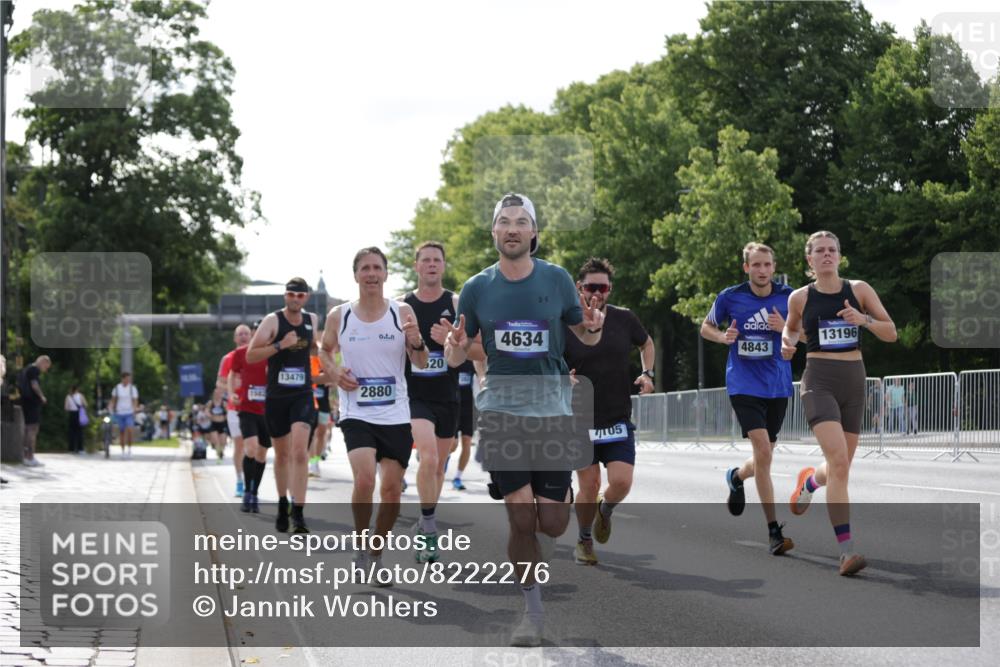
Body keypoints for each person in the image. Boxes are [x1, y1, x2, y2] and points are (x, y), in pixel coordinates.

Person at [444, 193, 605, 647]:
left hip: (552, 410)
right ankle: (532, 614)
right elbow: (457, 354)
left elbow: (583, 331)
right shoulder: (476, 287)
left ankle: (552, 517)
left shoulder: (556, 279)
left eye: (520, 221)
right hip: (501, 410)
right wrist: (454, 346)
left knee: (551, 522)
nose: (512, 228)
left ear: (534, 232)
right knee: (519, 516)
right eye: (504, 221)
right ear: (493, 232)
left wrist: (592, 327)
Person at [783, 231, 897, 576]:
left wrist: (864, 320)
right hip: (819, 381)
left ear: (840, 255)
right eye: (820, 251)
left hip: (853, 381)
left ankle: (809, 483)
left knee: (841, 466)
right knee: (838, 461)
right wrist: (787, 344)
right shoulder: (800, 297)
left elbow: (891, 332)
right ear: (810, 259)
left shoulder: (859, 290)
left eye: (832, 249)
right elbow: (790, 330)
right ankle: (846, 551)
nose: (827, 255)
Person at [319, 247, 428, 580]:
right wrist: (335, 373)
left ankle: (376, 555)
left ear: (385, 274)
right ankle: (360, 546)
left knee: (392, 492)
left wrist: (417, 341)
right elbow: (324, 350)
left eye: (376, 268)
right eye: (365, 268)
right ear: (355, 275)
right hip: (357, 412)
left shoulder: (401, 312)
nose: (371, 274)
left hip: (395, 413)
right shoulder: (340, 315)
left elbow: (421, 362)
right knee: (365, 480)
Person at [701, 242, 795, 556]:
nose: (762, 270)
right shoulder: (730, 297)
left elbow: (809, 333)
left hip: (777, 386)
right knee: (764, 452)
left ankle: (737, 476)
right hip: (743, 385)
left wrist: (786, 328)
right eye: (756, 265)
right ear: (746, 268)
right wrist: (722, 337)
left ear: (774, 266)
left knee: (764, 457)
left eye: (767, 264)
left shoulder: (790, 297)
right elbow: (706, 327)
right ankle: (773, 531)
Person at [565, 257, 656, 566]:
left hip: (616, 417)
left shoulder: (624, 318)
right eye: (591, 287)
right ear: (579, 287)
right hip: (579, 420)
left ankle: (605, 510)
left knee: (621, 482)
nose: (597, 293)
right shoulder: (566, 322)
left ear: (610, 290)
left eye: (602, 288)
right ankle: (584, 539)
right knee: (589, 484)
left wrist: (647, 373)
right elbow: (549, 359)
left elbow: (646, 344)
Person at [402, 241, 468, 563]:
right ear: (416, 266)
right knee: (427, 458)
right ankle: (429, 530)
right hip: (415, 395)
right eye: (425, 260)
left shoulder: (456, 303)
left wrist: (452, 343)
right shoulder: (403, 306)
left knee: (439, 466)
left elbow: (464, 355)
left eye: (436, 260)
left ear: (443, 266)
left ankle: (424, 518)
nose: (431, 264)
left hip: (447, 396)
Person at [247, 277, 320, 534]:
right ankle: (282, 502)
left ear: (306, 297)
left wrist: (324, 356)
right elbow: (251, 355)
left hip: (302, 394)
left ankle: (298, 513)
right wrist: (280, 345)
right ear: (285, 295)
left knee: (300, 452)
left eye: (300, 295)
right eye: (291, 294)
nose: (295, 299)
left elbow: (313, 349)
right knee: (282, 455)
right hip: (277, 397)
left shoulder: (312, 320)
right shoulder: (272, 321)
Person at [230, 319, 271, 513]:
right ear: (254, 333)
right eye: (257, 330)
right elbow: (232, 374)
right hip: (247, 408)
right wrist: (232, 393)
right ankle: (247, 491)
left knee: (262, 453)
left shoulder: (274, 353)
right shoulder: (241, 353)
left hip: (269, 411)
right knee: (251, 448)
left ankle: (254, 491)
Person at [219, 324, 252, 496]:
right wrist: (232, 388)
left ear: (251, 337)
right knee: (239, 445)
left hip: (255, 407)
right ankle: (240, 479)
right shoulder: (228, 358)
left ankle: (251, 481)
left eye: (246, 333)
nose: (243, 336)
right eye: (240, 334)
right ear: (235, 338)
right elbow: (220, 382)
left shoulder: (256, 356)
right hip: (235, 408)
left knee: (253, 446)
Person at [17, 355, 51, 466]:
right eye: (46, 367)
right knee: (33, 429)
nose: (45, 369)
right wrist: (42, 396)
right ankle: (29, 457)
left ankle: (25, 456)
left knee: (28, 428)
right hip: (32, 402)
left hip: (25, 401)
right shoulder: (34, 370)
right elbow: (34, 385)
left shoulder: (27, 368)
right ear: (43, 362)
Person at [450, 359, 477, 491]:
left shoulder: (471, 361)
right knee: (453, 445)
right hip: (452, 405)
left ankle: (457, 477)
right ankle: (444, 456)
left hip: (467, 407)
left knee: (467, 442)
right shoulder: (451, 359)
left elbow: (482, 370)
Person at [110, 371, 139, 457]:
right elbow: (113, 400)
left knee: (130, 430)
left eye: (129, 379)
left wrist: (134, 410)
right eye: (126, 379)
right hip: (119, 412)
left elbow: (135, 400)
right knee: (122, 432)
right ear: (122, 379)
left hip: (129, 412)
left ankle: (129, 449)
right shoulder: (117, 388)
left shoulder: (132, 388)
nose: (128, 380)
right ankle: (122, 451)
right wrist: (110, 408)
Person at [64, 384, 87, 454]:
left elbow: (66, 408)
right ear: (77, 389)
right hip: (79, 414)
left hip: (72, 414)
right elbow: (85, 404)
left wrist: (71, 407)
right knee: (80, 432)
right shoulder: (80, 396)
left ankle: (71, 449)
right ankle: (80, 449)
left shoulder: (68, 396)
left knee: (71, 432)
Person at [207, 388, 228, 461]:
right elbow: (207, 411)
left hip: (222, 424)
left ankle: (221, 451)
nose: (217, 395)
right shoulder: (211, 403)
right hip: (214, 424)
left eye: (219, 393)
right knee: (216, 440)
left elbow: (228, 411)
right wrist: (210, 415)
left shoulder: (224, 403)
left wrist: (224, 417)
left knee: (223, 442)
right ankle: (219, 454)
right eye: (216, 393)